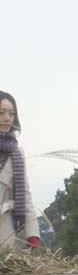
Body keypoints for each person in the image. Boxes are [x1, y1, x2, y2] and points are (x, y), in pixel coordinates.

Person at [0, 92, 40, 252]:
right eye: (1, 113)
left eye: (11, 113)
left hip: (5, 225)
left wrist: (32, 233)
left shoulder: (17, 152)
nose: (7, 118)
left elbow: (25, 193)